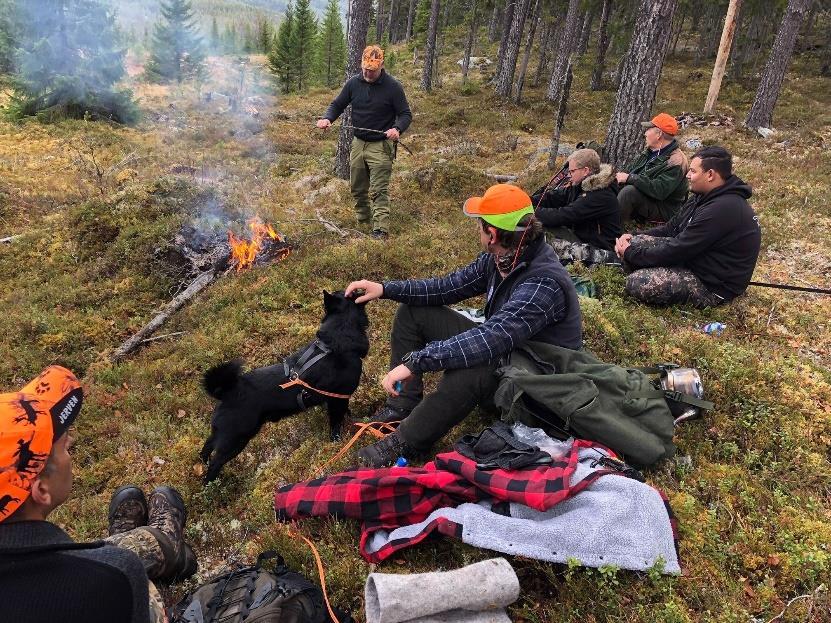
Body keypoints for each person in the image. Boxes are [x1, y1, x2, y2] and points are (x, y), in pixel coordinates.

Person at [346, 184, 582, 467]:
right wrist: (385, 288)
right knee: (414, 313)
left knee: (478, 366)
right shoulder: (502, 258)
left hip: (536, 384)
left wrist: (418, 361)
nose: (478, 232)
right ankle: (401, 405)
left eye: (480, 226)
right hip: (509, 354)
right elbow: (446, 287)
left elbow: (491, 338)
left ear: (492, 234)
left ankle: (406, 441)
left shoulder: (543, 283)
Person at [0, 365, 196, 623]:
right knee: (124, 566)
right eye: (63, 447)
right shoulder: (113, 577)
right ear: (41, 490)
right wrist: (114, 566)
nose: (69, 444)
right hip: (108, 583)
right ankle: (164, 541)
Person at [615, 146, 761, 308]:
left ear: (710, 175)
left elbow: (679, 249)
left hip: (712, 284)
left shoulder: (722, 209)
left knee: (637, 282)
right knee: (635, 242)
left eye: (693, 171)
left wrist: (631, 254)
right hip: (695, 260)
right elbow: (671, 228)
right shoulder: (703, 196)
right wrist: (631, 236)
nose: (688, 175)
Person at [316, 45, 412, 240]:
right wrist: (328, 119)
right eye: (365, 69)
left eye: (372, 70)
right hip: (358, 143)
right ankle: (363, 220)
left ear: (381, 66)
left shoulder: (393, 87)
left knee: (378, 189)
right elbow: (337, 104)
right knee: (357, 187)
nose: (368, 73)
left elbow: (405, 114)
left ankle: (380, 230)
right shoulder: (353, 83)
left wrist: (397, 129)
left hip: (381, 146)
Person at [532, 147, 622, 266]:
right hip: (583, 240)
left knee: (541, 228)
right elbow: (553, 197)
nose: (569, 175)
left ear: (585, 171)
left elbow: (563, 215)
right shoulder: (581, 185)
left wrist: (529, 212)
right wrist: (524, 200)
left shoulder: (600, 195)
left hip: (600, 252)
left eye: (572, 171)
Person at [616, 112, 689, 223]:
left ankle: (612, 233)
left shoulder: (676, 162)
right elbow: (631, 170)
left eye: (648, 130)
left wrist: (630, 178)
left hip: (663, 208)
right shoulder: (650, 151)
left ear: (659, 134)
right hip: (646, 197)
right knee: (611, 185)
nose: (645, 133)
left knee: (628, 192)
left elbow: (659, 190)